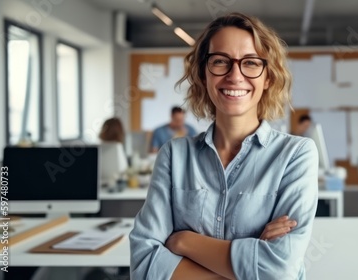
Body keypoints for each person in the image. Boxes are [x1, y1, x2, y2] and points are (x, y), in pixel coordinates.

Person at [130, 13, 319, 280]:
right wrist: (249, 267)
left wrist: (184, 242)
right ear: (203, 74)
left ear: (268, 78)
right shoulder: (174, 155)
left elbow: (280, 270)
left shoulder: (296, 155)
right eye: (220, 61)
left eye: (251, 63)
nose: (235, 75)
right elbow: (143, 266)